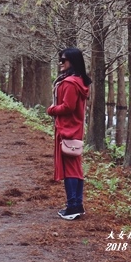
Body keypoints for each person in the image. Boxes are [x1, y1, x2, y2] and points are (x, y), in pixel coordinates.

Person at [46, 47, 91, 220]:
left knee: (71, 169)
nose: (61, 63)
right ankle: (77, 205)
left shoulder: (71, 83)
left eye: (63, 60)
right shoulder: (78, 81)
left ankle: (73, 206)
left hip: (68, 130)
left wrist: (52, 110)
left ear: (73, 61)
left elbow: (68, 107)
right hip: (74, 129)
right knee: (76, 168)